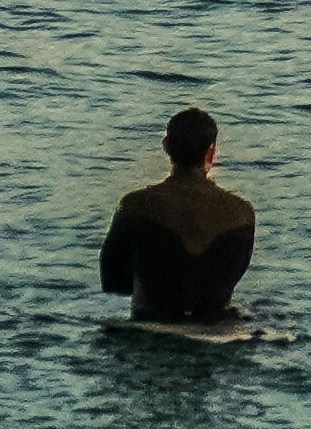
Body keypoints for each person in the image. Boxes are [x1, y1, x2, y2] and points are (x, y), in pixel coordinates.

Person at [99, 103, 255, 325]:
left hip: (151, 322)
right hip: (219, 325)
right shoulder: (243, 212)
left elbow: (112, 283)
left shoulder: (135, 205)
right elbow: (233, 274)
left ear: (166, 146)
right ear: (211, 151)